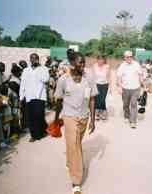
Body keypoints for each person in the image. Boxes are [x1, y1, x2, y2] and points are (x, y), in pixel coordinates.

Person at [54, 51, 98, 194]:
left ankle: (70, 162)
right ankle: (76, 180)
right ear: (72, 63)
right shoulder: (63, 80)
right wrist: (56, 118)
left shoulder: (89, 78)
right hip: (69, 116)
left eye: (84, 62)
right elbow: (59, 101)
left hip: (84, 117)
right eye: (80, 62)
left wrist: (92, 119)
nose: (83, 65)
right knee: (74, 144)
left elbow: (92, 99)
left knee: (76, 143)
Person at [19, 53, 49, 142]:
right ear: (30, 60)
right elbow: (23, 84)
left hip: (40, 96)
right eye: (32, 58)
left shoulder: (43, 69)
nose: (34, 60)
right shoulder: (26, 70)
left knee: (39, 115)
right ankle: (34, 135)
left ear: (38, 59)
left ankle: (42, 130)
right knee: (31, 117)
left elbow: (46, 79)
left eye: (35, 58)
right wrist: (21, 97)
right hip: (29, 96)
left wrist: (38, 69)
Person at [117, 50, 144, 129]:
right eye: (127, 57)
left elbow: (140, 75)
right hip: (125, 89)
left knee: (133, 104)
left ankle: (133, 121)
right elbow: (119, 77)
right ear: (124, 57)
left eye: (130, 56)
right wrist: (119, 87)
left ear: (132, 57)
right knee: (125, 104)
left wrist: (143, 84)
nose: (129, 58)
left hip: (135, 88)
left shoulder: (136, 64)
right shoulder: (122, 66)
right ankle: (126, 115)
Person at [93, 56, 111, 120]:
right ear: (97, 60)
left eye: (102, 60)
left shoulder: (107, 66)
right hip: (96, 84)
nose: (100, 61)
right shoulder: (94, 66)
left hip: (105, 85)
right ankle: (97, 113)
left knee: (102, 99)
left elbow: (109, 76)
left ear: (104, 60)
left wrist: (110, 87)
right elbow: (93, 76)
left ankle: (102, 112)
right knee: (97, 99)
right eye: (99, 59)